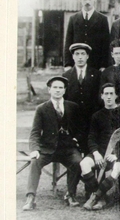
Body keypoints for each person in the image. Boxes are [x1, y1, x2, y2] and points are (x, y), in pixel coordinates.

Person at [23, 76, 84, 210]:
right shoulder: (42, 108)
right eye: (55, 87)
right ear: (49, 90)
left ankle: (71, 195)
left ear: (64, 90)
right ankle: (30, 198)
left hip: (67, 149)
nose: (58, 90)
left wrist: (75, 139)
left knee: (78, 162)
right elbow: (35, 132)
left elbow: (81, 129)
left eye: (60, 87)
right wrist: (35, 149)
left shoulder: (73, 107)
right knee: (35, 162)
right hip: (48, 149)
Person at [81, 83, 120, 210]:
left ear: (116, 96)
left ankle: (95, 197)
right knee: (84, 164)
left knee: (117, 168)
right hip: (100, 152)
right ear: (102, 96)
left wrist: (116, 155)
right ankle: (101, 197)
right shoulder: (97, 115)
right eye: (106, 94)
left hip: (119, 154)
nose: (108, 97)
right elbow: (91, 137)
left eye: (111, 94)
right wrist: (96, 153)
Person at [63, 43, 101, 154]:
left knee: (91, 152)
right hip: (73, 121)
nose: (80, 57)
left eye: (83, 54)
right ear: (73, 57)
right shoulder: (66, 76)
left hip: (91, 120)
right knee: (74, 154)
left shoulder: (96, 74)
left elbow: (99, 97)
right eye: (77, 54)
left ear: (87, 56)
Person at [64, 0, 110, 71]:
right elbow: (68, 42)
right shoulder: (73, 19)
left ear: (94, 0)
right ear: (80, 0)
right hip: (77, 63)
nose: (87, 1)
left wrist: (103, 65)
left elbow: (106, 44)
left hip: (96, 63)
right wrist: (68, 64)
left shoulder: (102, 19)